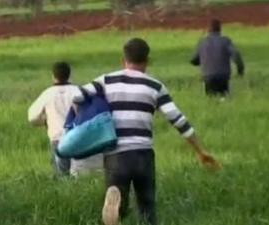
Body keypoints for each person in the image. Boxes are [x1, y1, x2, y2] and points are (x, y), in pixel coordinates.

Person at [74, 38, 220, 225]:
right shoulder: (155, 86)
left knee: (119, 202)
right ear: (147, 61)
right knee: (147, 206)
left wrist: (86, 117)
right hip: (143, 153)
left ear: (123, 60)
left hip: (116, 154)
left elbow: (77, 96)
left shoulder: (106, 81)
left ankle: (117, 209)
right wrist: (200, 150)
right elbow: (177, 119)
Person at [28, 62, 103, 177]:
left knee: (62, 174)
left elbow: (32, 117)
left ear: (53, 76)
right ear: (70, 75)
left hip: (57, 139)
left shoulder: (47, 94)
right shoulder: (78, 91)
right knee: (78, 172)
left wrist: (45, 121)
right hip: (78, 137)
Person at [191, 19, 245, 96]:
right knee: (223, 97)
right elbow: (236, 55)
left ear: (208, 29)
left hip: (208, 76)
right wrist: (240, 70)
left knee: (211, 99)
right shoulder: (226, 41)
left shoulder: (202, 42)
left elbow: (193, 60)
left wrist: (203, 60)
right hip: (223, 76)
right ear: (220, 29)